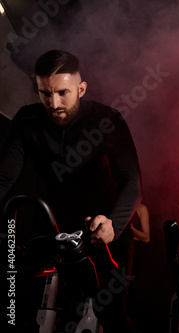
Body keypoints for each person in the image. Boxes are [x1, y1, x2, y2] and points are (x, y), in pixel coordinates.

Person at [0, 50, 142, 332]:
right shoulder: (27, 120)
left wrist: (114, 222)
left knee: (112, 315)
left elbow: (132, 182)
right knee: (38, 312)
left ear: (81, 88)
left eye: (63, 93)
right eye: (45, 93)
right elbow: (4, 178)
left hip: (105, 229)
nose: (53, 103)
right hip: (55, 230)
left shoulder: (106, 119)